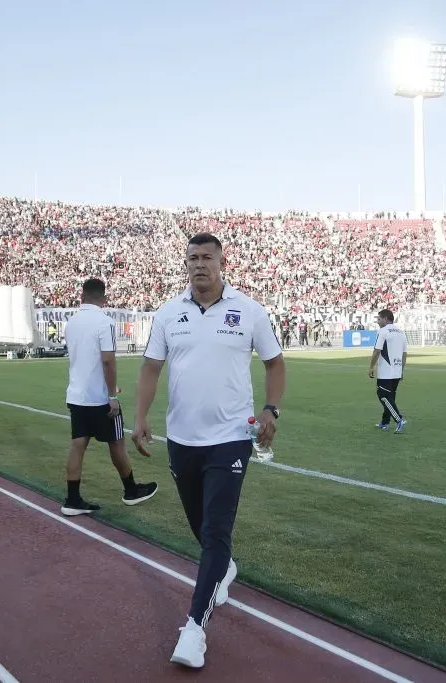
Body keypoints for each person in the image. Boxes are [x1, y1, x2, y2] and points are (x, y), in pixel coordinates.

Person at [131, 232, 285, 670]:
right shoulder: (167, 314)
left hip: (232, 437)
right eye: (193, 258)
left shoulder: (249, 311)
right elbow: (150, 368)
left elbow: (274, 363)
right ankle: (223, 568)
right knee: (203, 531)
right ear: (186, 264)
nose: (200, 264)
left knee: (215, 534)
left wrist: (271, 409)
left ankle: (195, 629)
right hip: (182, 440)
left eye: (207, 258)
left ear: (222, 263)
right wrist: (140, 417)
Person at [61, 278, 158, 516]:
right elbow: (108, 360)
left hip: (76, 394)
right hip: (98, 398)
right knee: (116, 442)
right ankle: (131, 490)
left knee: (77, 445)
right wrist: (112, 394)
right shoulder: (104, 322)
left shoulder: (71, 322)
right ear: (103, 299)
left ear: (82, 296)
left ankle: (72, 499)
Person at [369, 308, 408, 433]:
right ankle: (385, 422)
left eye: (379, 319)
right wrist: (402, 369)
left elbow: (377, 350)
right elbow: (404, 353)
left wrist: (371, 367)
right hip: (397, 370)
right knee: (390, 397)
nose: (378, 322)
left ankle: (399, 419)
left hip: (386, 371)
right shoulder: (401, 332)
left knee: (383, 395)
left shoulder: (383, 331)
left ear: (385, 319)